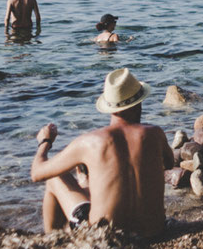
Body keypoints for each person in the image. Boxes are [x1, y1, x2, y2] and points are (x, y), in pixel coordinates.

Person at [30, 68, 173, 236]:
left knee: (54, 178)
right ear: (139, 103)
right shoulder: (155, 134)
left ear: (109, 108)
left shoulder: (90, 142)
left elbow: (37, 173)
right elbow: (169, 164)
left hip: (106, 236)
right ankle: (84, 188)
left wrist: (45, 142)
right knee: (89, 185)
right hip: (154, 232)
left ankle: (53, 240)